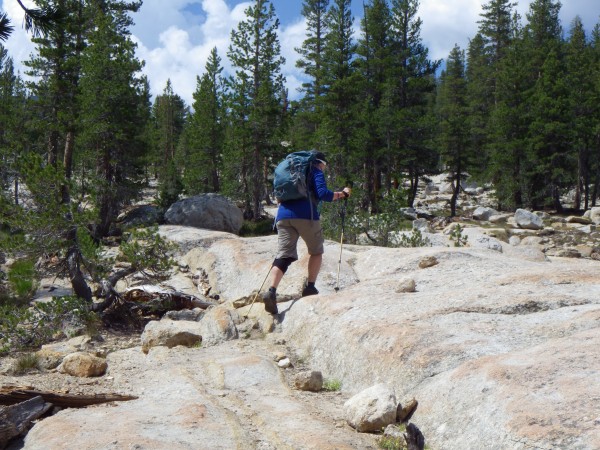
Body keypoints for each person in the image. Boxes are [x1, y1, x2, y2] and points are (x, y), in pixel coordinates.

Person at [262, 151, 352, 315]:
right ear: (320, 163)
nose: (324, 169)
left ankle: (272, 290)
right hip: (306, 215)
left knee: (284, 256)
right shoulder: (315, 169)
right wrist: (342, 194)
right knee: (316, 251)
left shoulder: (290, 172)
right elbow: (323, 194)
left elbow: (278, 197)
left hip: (282, 216)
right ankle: (310, 287)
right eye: (325, 166)